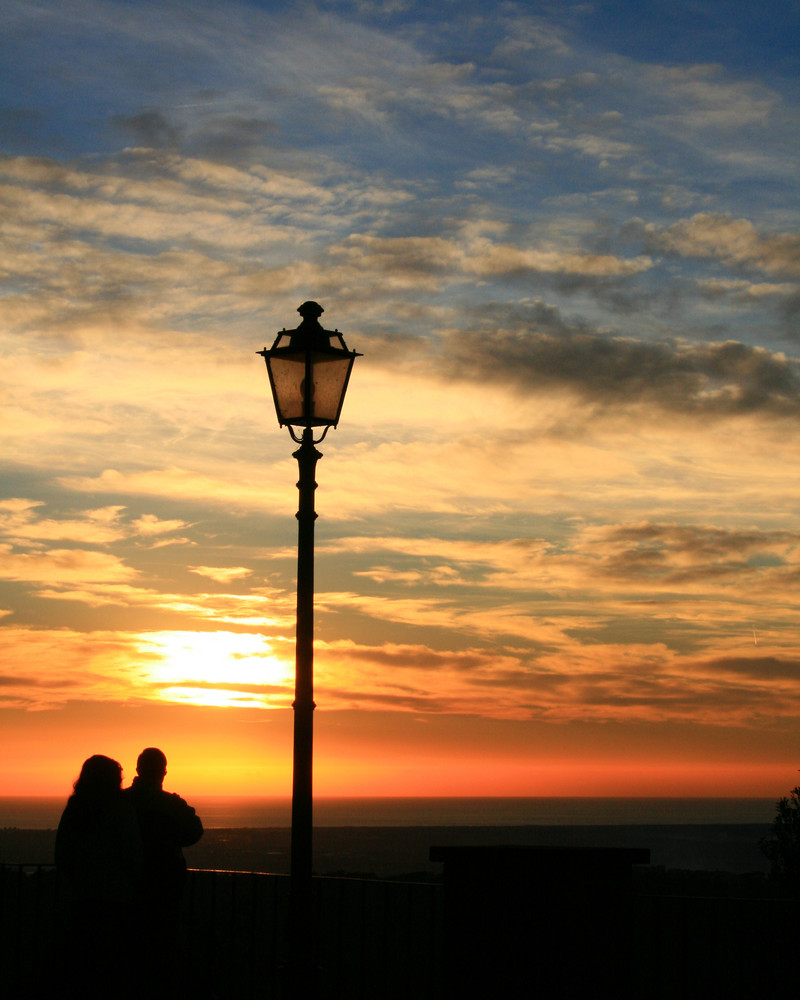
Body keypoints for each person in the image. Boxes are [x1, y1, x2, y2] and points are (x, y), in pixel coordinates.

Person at [55, 755, 142, 998]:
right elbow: (132, 855)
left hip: (80, 900)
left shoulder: (75, 810)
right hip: (116, 902)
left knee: (83, 967)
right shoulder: (121, 810)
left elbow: (62, 854)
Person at [124, 747, 203, 994]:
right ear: (163, 772)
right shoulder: (170, 804)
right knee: (162, 953)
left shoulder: (121, 801)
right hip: (164, 891)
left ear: (137, 770)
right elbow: (194, 831)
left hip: (124, 893)